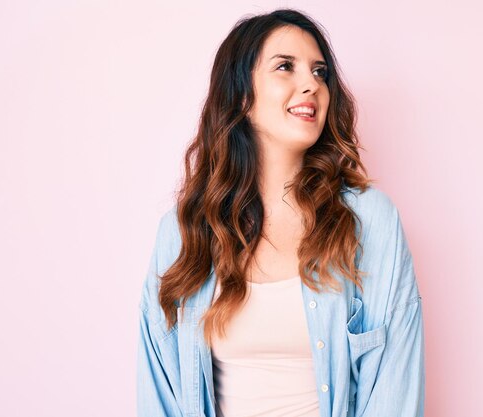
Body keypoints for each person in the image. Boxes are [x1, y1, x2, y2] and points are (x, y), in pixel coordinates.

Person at [137, 8, 425, 417]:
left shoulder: (369, 222)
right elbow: (159, 391)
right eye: (286, 67)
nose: (311, 85)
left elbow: (395, 385)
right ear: (241, 96)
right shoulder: (185, 232)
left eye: (320, 73)